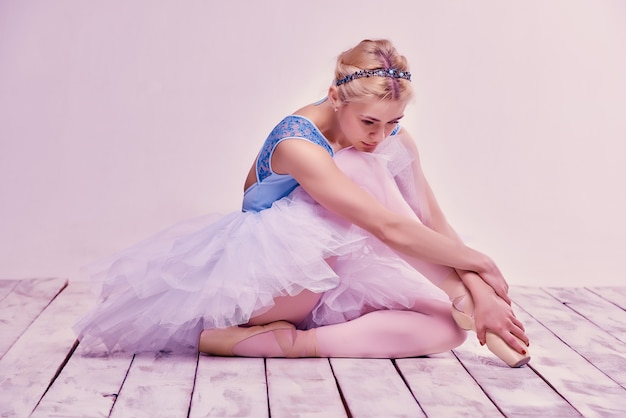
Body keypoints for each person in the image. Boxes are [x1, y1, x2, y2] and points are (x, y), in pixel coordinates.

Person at [75, 39, 530, 367]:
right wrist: (477, 272)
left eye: (394, 122)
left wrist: (480, 292)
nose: (380, 136)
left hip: (336, 274)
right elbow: (387, 228)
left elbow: (430, 220)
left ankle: (291, 345)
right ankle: (258, 327)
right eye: (369, 121)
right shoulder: (298, 142)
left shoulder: (388, 139)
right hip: (273, 280)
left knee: (446, 331)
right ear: (335, 97)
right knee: (361, 166)